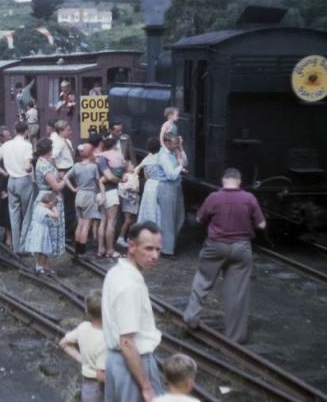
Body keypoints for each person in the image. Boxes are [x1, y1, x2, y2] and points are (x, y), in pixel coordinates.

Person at [183, 168, 265, 343]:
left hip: (216, 246)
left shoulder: (214, 197)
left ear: (223, 180)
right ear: (239, 181)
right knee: (237, 292)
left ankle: (191, 317)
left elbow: (198, 219)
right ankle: (236, 337)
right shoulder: (249, 198)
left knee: (203, 280)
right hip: (242, 248)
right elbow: (262, 225)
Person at [101, 222, 164, 401]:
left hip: (115, 362)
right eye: (149, 249)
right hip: (134, 363)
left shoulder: (115, 272)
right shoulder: (130, 286)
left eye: (158, 249)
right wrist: (146, 385)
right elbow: (127, 342)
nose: (155, 255)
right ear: (132, 247)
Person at [21, 138, 66, 272]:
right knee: (45, 233)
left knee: (49, 233)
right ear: (49, 150)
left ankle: (44, 265)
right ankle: (40, 265)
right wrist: (65, 179)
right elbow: (56, 187)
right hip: (49, 199)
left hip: (48, 198)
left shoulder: (43, 162)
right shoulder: (44, 165)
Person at [0, 122, 34, 251]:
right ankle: (24, 246)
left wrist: (3, 172)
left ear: (15, 130)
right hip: (24, 180)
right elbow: (26, 166)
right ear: (26, 131)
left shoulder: (6, 145)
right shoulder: (27, 145)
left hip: (10, 181)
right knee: (26, 215)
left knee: (13, 214)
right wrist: (30, 167)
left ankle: (15, 246)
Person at [59, 290, 107, 402]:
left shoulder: (83, 327)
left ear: (87, 312)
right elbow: (101, 376)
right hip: (101, 389)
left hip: (87, 385)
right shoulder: (106, 339)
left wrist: (82, 359)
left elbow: (63, 343)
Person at [64, 145, 104, 257]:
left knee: (79, 224)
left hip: (79, 195)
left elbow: (65, 177)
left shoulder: (76, 166)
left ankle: (77, 251)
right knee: (86, 225)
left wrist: (73, 188)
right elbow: (98, 182)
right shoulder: (93, 167)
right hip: (89, 196)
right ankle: (82, 252)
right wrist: (103, 195)